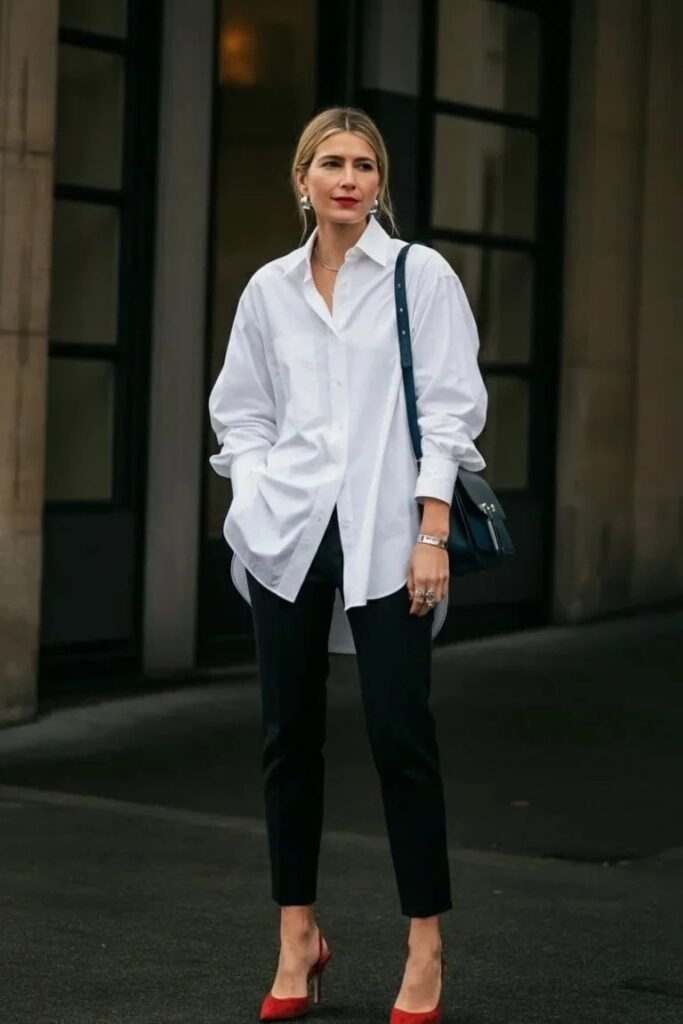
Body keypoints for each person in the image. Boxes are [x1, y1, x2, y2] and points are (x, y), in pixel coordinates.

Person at [208, 106, 487, 1024]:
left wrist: (432, 531)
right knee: (288, 739)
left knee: (401, 733)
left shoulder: (421, 276)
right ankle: (297, 937)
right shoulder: (269, 290)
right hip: (289, 535)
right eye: (330, 163)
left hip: (386, 533)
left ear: (380, 183)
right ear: (301, 179)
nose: (347, 179)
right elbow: (239, 412)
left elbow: (449, 410)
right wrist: (252, 494)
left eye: (363, 165)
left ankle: (424, 945)